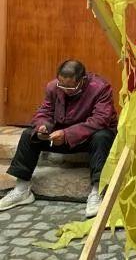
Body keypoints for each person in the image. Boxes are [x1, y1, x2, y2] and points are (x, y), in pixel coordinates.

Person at [0, 60, 118, 217]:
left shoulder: (100, 88)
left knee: (102, 136)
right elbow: (45, 111)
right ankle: (22, 190)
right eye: (62, 85)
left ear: (82, 80)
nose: (65, 90)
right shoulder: (53, 87)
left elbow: (100, 120)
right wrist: (43, 126)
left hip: (88, 136)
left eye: (70, 87)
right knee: (29, 135)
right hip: (60, 135)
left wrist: (67, 134)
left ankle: (97, 192)